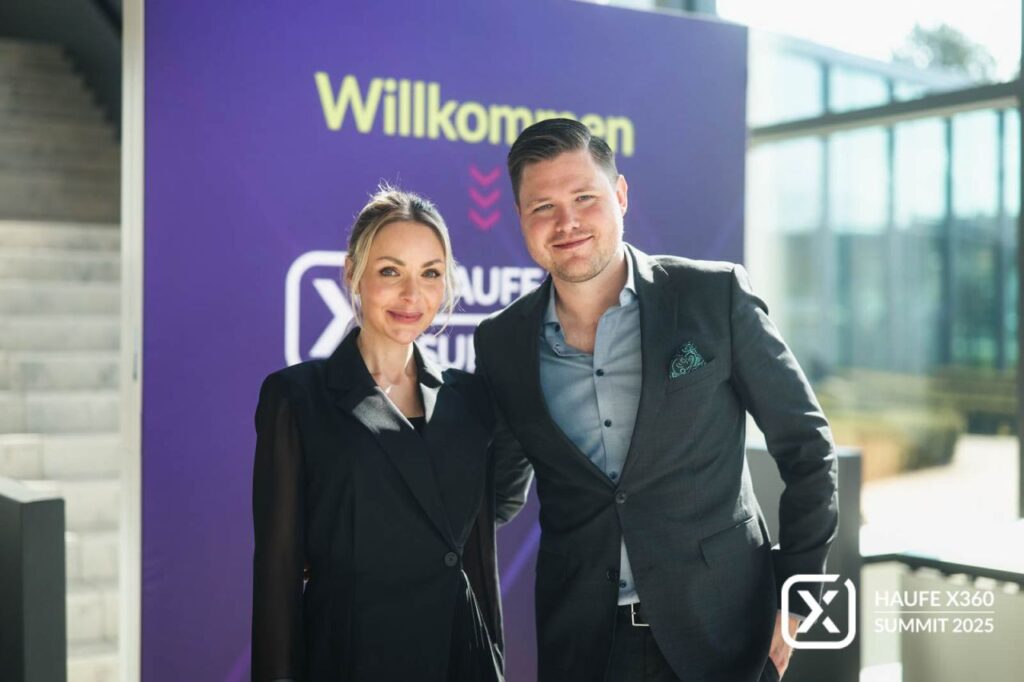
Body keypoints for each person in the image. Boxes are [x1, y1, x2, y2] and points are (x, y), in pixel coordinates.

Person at [474, 118, 839, 682]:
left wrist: (798, 601)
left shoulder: (713, 296)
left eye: (585, 197)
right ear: (521, 217)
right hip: (585, 647)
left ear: (620, 195)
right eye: (543, 206)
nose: (567, 222)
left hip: (727, 634)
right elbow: (495, 492)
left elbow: (808, 448)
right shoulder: (502, 342)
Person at [252, 187, 519, 681]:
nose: (412, 296)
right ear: (352, 273)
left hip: (457, 654)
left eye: (430, 274)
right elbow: (278, 570)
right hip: (351, 655)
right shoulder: (297, 397)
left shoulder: (471, 398)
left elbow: (481, 532)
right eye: (391, 271)